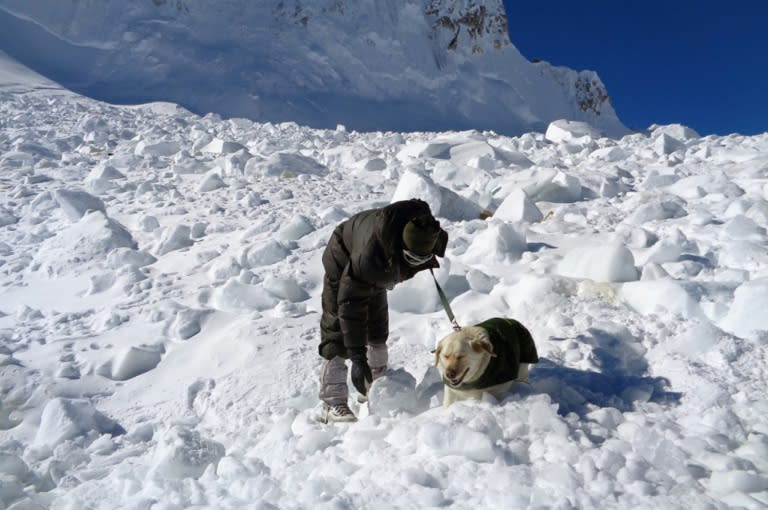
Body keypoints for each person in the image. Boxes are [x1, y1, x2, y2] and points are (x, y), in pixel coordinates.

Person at [318, 198, 448, 423]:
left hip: (382, 260)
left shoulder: (428, 231)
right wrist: (358, 358)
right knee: (338, 329)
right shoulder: (369, 258)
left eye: (423, 259)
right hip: (344, 255)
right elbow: (350, 307)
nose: (417, 264)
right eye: (412, 259)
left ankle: (375, 388)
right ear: (401, 248)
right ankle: (333, 403)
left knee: (377, 329)